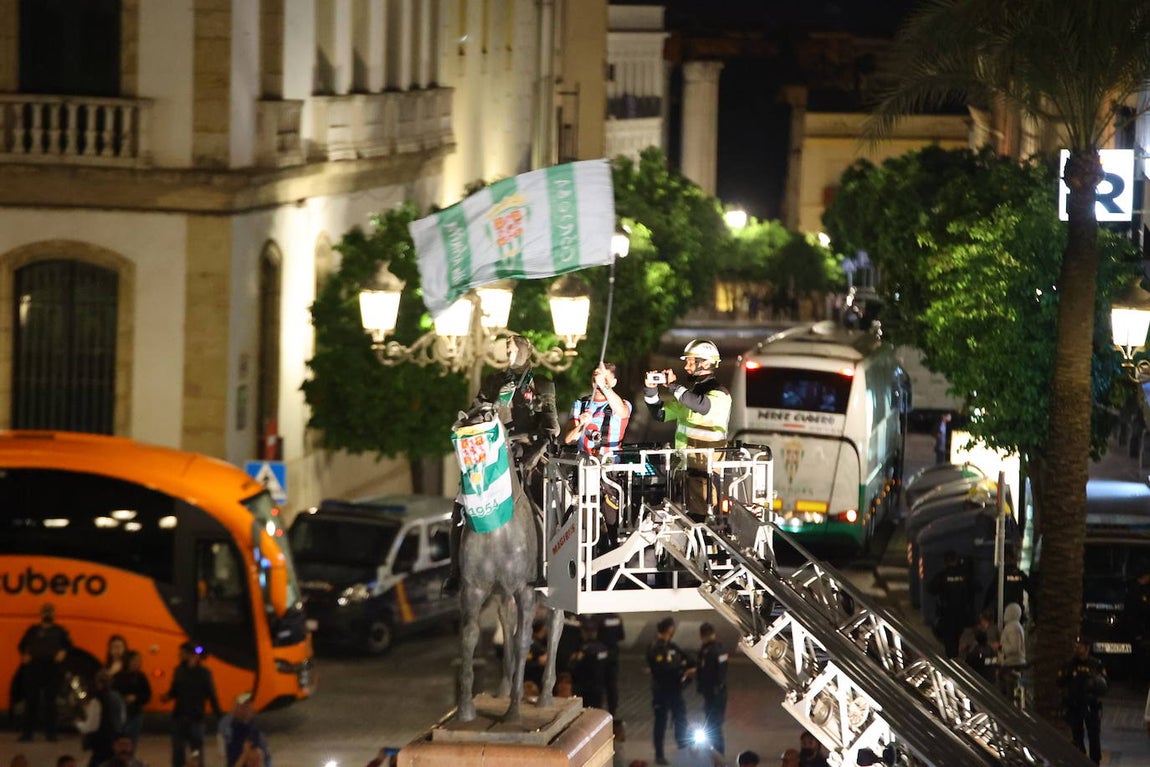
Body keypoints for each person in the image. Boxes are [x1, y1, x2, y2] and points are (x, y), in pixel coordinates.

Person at [443, 334, 560, 595]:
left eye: (512, 347)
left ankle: (548, 566)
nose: (507, 350)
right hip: (494, 452)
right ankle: (455, 572)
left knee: (549, 506)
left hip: (529, 452)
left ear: (526, 351)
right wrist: (484, 411)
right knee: (461, 507)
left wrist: (534, 453)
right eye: (506, 347)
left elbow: (552, 426)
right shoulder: (494, 381)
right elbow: (476, 410)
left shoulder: (542, 384)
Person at [645, 339, 732, 517]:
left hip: (706, 474)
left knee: (701, 525)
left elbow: (702, 405)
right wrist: (650, 391)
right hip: (683, 471)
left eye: (690, 361)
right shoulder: (689, 397)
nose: (686, 366)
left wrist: (673, 386)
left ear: (706, 362)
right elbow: (660, 414)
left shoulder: (720, 395)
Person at [564, 362, 632, 549]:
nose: (598, 381)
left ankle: (613, 551)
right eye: (596, 376)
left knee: (612, 519)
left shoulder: (622, 404)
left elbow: (622, 412)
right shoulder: (580, 405)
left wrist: (604, 386)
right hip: (585, 470)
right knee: (586, 521)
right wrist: (581, 424)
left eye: (604, 377)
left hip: (610, 472)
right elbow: (569, 438)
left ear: (613, 381)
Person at [17, 602, 73, 742]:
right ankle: (27, 734)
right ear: (41, 614)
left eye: (50, 612)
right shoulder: (33, 630)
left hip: (52, 669)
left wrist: (63, 652)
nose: (48, 614)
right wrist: (25, 654)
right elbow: (21, 645)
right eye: (45, 611)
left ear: (54, 614)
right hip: (34, 668)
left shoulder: (60, 630)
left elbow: (69, 647)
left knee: (51, 703)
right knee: (31, 702)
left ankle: (51, 734)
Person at [163, 641, 223, 767]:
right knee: (178, 752)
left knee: (196, 753)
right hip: (179, 717)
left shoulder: (204, 673)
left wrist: (220, 716)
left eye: (182, 654)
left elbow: (212, 696)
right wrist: (167, 697)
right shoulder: (178, 670)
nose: (179, 656)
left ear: (192, 655)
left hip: (196, 719)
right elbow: (174, 690)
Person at [647, 616, 695, 765]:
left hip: (674, 691)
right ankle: (659, 754)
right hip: (662, 691)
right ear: (669, 630)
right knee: (661, 723)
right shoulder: (656, 648)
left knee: (681, 720)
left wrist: (684, 667)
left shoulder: (671, 646)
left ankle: (682, 747)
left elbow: (689, 659)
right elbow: (662, 669)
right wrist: (681, 669)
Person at [1059, 638, 1107, 764]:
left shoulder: (1096, 664)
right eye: (1076, 646)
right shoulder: (1070, 664)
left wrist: (1095, 684)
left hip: (1091, 706)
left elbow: (1104, 686)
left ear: (1087, 648)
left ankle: (1094, 762)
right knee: (1077, 737)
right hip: (1075, 705)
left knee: (1094, 737)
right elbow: (1061, 682)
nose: (1077, 649)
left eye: (1080, 646)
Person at [75, 670, 126, 767]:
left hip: (101, 743)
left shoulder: (97, 700)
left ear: (98, 682)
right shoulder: (117, 697)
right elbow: (122, 718)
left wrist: (79, 724)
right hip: (114, 739)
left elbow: (92, 725)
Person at [928, 550, 973, 658]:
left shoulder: (942, 576)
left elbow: (931, 589)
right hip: (961, 613)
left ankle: (951, 660)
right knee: (956, 637)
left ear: (946, 562)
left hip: (947, 613)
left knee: (948, 638)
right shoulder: (964, 575)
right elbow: (974, 589)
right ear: (956, 561)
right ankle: (955, 657)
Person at [696, 623, 728, 755]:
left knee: (714, 727)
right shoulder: (712, 649)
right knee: (712, 726)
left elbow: (718, 673)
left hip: (715, 695)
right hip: (714, 694)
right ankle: (715, 753)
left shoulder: (713, 650)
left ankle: (718, 754)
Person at [218, 692, 272, 767]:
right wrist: (245, 755)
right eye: (243, 707)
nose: (246, 710)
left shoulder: (255, 731)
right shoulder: (227, 727)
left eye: (248, 707)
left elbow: (266, 757)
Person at [113, 650, 151, 750]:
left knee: (131, 744)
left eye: (138, 660)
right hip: (121, 715)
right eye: (134, 660)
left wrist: (136, 698)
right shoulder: (119, 676)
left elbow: (147, 695)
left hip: (135, 715)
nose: (136, 663)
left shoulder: (141, 677)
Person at [568, 617, 608, 710]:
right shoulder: (603, 648)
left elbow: (573, 667)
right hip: (598, 686)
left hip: (584, 688)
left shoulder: (583, 650)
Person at [983, 550, 1032, 622]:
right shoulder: (1020, 574)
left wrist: (985, 607)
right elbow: (1031, 590)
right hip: (1016, 609)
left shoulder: (1001, 574)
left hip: (1003, 609)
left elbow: (991, 591)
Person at [598, 612, 625, 719]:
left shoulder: (598, 617)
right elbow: (621, 636)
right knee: (612, 684)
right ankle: (612, 709)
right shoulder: (617, 618)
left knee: (599, 682)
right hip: (613, 653)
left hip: (600, 653)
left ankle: (598, 709)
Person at [998, 602, 1026, 703]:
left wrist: (1001, 647)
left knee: (1009, 692)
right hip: (1013, 663)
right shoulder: (1016, 626)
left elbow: (1014, 648)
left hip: (1012, 663)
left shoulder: (1013, 627)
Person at [523, 617, 550, 693]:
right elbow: (526, 663)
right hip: (531, 680)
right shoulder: (532, 644)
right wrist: (539, 662)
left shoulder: (540, 643)